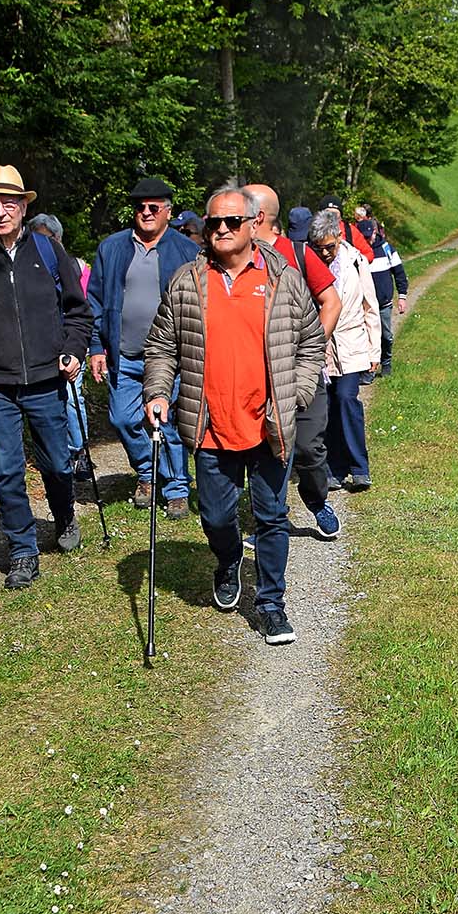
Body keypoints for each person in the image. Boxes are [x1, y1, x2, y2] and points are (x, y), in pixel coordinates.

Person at [143, 187, 323, 646]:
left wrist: (297, 395)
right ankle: (227, 561)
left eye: (232, 222)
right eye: (214, 223)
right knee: (217, 518)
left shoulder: (284, 278)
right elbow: (162, 346)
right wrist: (158, 392)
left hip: (269, 426)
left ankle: (271, 605)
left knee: (272, 517)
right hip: (210, 426)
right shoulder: (188, 281)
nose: (222, 229)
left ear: (253, 224)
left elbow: (311, 343)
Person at [0, 169, 92, 589]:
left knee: (58, 464)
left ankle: (64, 514)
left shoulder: (47, 250)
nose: (0, 211)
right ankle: (23, 551)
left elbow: (78, 311)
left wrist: (73, 350)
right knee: (7, 471)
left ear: (24, 207)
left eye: (9, 203)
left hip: (46, 378)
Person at [88, 177, 200, 518]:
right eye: (140, 207)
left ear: (168, 211)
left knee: (169, 423)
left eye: (154, 207)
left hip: (171, 357)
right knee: (122, 418)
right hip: (124, 355)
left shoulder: (187, 251)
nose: (146, 213)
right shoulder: (112, 248)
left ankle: (177, 489)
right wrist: (96, 346)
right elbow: (94, 299)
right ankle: (148, 472)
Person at [245, 185, 342, 537]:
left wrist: (312, 348)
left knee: (307, 447)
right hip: (255, 374)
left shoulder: (297, 253)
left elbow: (331, 302)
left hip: (302, 372)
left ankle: (317, 501)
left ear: (257, 218)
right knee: (266, 449)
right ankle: (271, 521)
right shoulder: (235, 260)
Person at [310, 206, 380, 492]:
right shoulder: (310, 264)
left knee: (346, 399)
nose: (325, 253)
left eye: (329, 246)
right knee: (327, 408)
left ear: (338, 237)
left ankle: (359, 467)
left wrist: (374, 352)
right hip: (322, 350)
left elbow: (370, 306)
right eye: (319, 248)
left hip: (352, 345)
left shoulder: (356, 261)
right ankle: (335, 470)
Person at [30, 212, 92, 474]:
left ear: (57, 238)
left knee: (71, 397)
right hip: (42, 347)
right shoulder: (27, 269)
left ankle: (79, 452)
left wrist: (92, 347)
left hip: (71, 344)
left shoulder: (78, 268)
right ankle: (59, 454)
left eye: (46, 238)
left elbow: (87, 309)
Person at [353, 203, 408, 377]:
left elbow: (399, 273)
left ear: (375, 233)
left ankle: (386, 362)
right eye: (363, 237)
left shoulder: (386, 249)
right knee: (365, 337)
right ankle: (367, 370)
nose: (367, 240)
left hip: (383, 303)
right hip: (364, 305)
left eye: (369, 236)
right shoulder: (355, 253)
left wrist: (402, 296)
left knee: (385, 335)